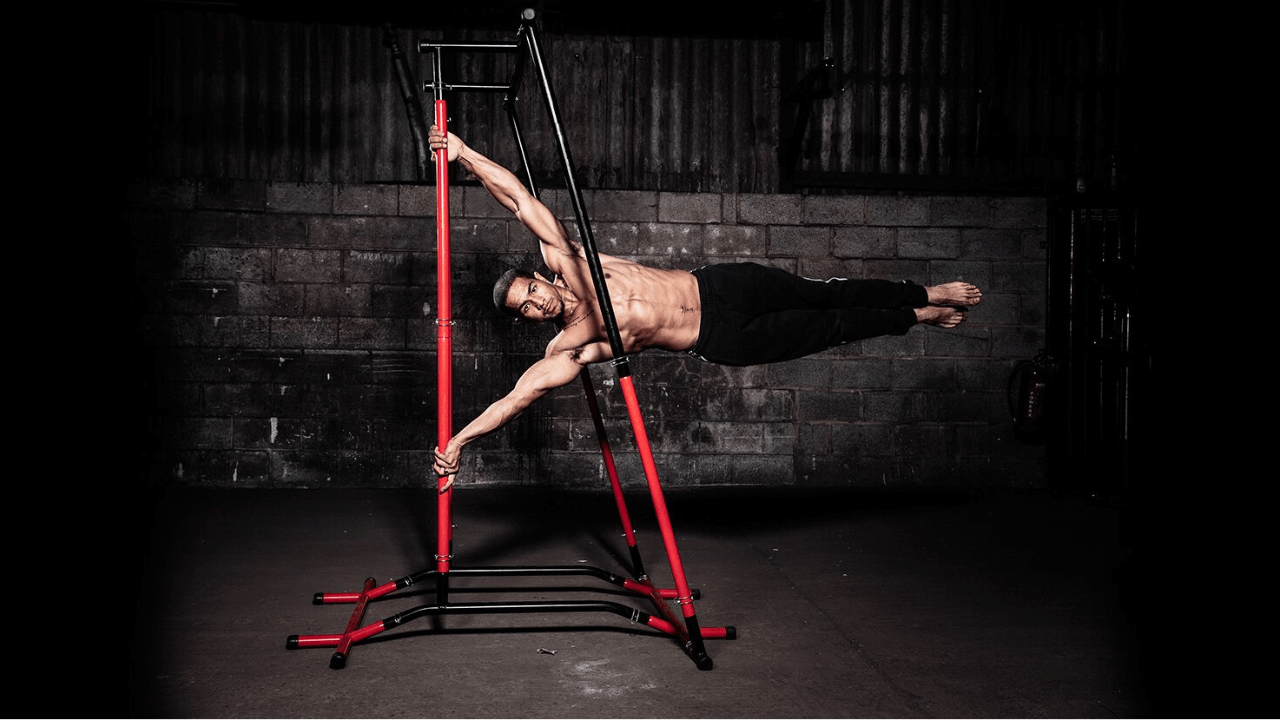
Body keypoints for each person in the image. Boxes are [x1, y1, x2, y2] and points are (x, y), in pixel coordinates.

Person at [427, 125, 981, 485]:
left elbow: (519, 198)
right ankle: (915, 317)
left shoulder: (568, 258)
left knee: (824, 293)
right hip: (719, 340)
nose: (538, 304)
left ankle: (920, 293)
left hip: (719, 287)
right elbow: (517, 398)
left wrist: (465, 153)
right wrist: (457, 442)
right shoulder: (569, 346)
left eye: (532, 291)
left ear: (537, 276)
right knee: (828, 328)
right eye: (527, 309)